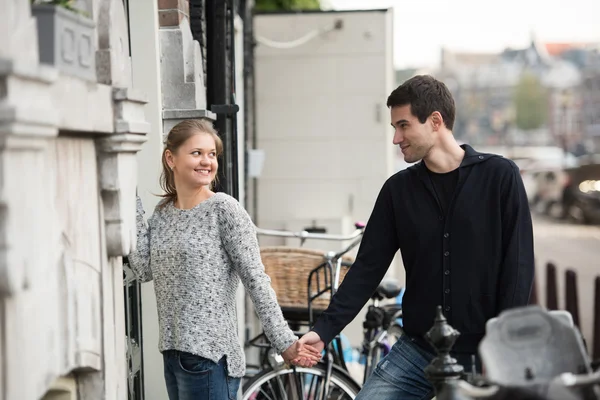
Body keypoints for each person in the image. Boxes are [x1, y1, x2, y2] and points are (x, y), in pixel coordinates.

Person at [295, 75, 535, 399]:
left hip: (484, 352)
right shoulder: (398, 191)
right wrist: (324, 331)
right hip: (417, 351)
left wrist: (504, 350)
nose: (396, 138)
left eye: (404, 125)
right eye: (395, 127)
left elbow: (518, 268)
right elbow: (367, 269)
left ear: (435, 121)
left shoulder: (499, 177)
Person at [129, 119, 321, 400]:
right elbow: (143, 268)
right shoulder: (163, 213)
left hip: (210, 358)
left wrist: (284, 341)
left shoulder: (224, 210)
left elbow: (256, 279)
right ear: (171, 158)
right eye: (197, 153)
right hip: (173, 354)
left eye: (212, 154)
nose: (207, 161)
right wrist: (129, 201)